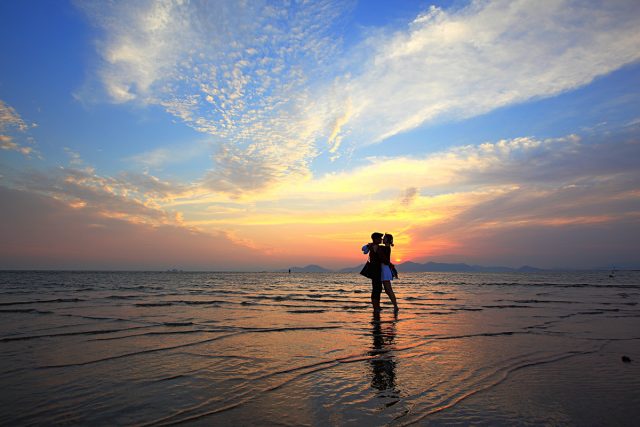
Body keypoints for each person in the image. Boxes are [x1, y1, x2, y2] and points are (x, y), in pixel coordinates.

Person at [362, 232, 384, 312]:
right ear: (376, 239)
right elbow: (382, 258)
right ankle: (376, 307)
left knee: (377, 288)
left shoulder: (373, 246)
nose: (381, 239)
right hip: (376, 269)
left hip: (375, 269)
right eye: (380, 238)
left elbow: (364, 250)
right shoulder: (375, 247)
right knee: (377, 288)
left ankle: (377, 306)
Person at [379, 234, 399, 312]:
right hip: (384, 269)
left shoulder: (386, 248)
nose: (383, 239)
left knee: (388, 289)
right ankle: (395, 306)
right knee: (387, 290)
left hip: (385, 270)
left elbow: (381, 254)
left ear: (388, 240)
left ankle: (396, 306)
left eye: (384, 238)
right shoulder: (385, 248)